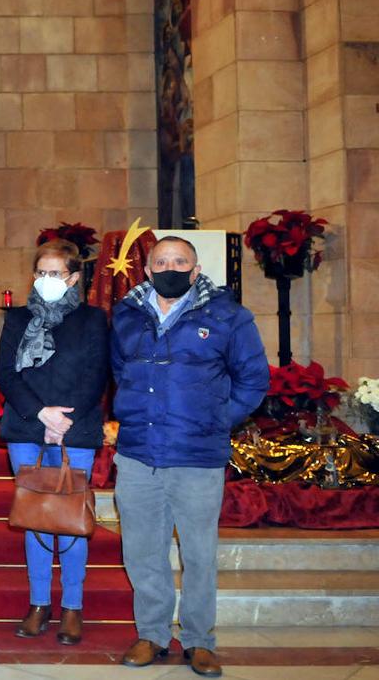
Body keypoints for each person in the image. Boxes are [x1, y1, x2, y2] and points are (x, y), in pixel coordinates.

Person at [111, 236, 268, 678]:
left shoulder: (228, 316)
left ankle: (199, 640)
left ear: (196, 271)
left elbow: (254, 379)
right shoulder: (126, 315)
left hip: (197, 456)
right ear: (147, 271)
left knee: (199, 553)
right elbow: (121, 372)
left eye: (180, 261)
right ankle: (153, 634)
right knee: (142, 552)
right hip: (139, 454)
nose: (171, 268)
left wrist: (217, 420)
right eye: (161, 262)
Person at [0, 240, 109, 645]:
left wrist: (62, 421)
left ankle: (73, 605)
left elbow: (97, 375)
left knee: (71, 519)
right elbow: (6, 374)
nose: (46, 280)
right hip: (27, 425)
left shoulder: (93, 319)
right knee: (37, 517)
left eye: (55, 273)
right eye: (41, 272)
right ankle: (39, 603)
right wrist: (41, 414)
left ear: (74, 278)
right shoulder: (18, 318)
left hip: (75, 427)